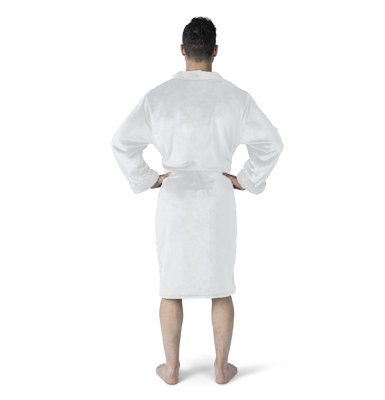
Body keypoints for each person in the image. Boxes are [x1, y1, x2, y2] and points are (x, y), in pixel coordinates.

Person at [110, 16, 284, 385]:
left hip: (174, 200)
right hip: (217, 200)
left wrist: (148, 178)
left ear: (182, 50)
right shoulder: (236, 98)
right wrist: (246, 179)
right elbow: (271, 143)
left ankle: (171, 368)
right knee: (220, 286)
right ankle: (221, 367)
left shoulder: (159, 97)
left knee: (171, 286)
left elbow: (122, 142)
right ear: (215, 51)